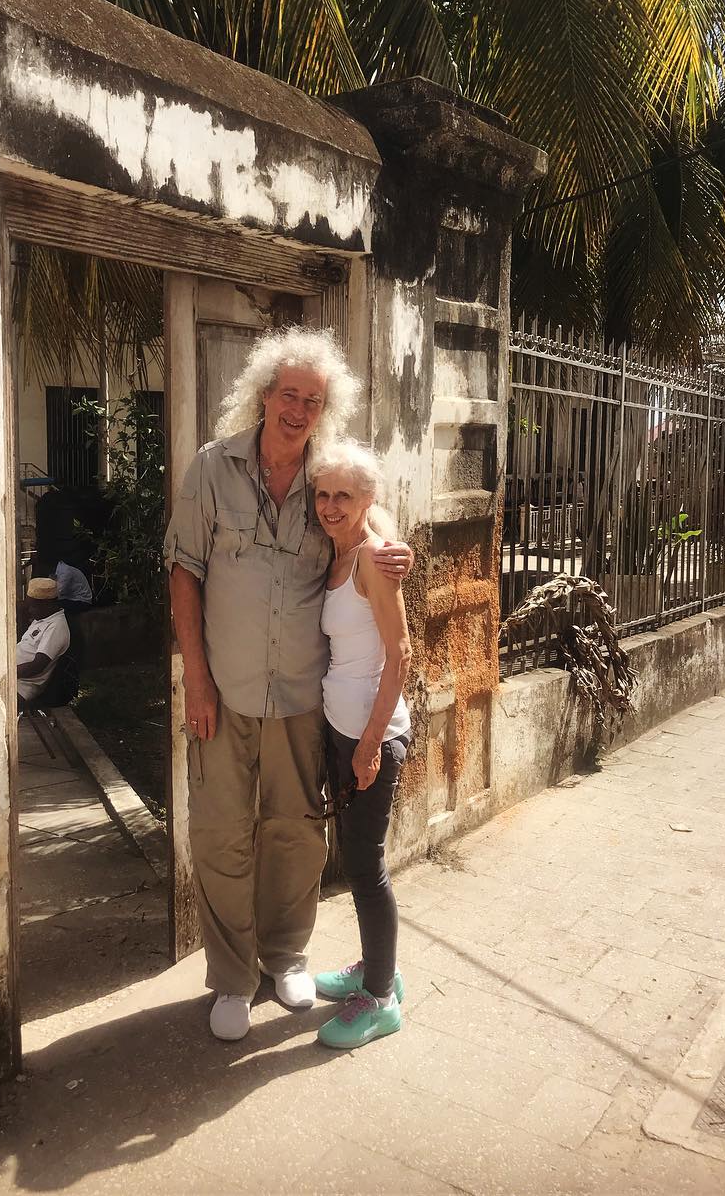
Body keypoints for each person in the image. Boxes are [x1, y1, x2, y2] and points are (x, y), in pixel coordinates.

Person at [164, 329, 412, 1041]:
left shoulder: (325, 477)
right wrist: (196, 679)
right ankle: (234, 978)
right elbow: (184, 571)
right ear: (263, 394)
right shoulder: (212, 469)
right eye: (288, 394)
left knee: (296, 833)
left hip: (304, 695)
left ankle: (287, 956)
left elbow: (367, 527)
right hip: (226, 688)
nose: (298, 409)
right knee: (221, 833)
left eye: (313, 399)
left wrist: (398, 549)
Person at [309, 440, 411, 1049]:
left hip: (371, 736)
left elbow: (400, 655)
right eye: (322, 494)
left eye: (343, 495)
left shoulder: (372, 558)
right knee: (353, 860)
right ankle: (377, 970)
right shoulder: (339, 554)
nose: (329, 504)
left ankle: (380, 999)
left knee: (367, 869)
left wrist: (370, 744)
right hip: (340, 729)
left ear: (368, 499)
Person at [16, 578, 71, 706]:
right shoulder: (42, 617)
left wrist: (5, 673)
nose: (29, 610)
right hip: (13, 677)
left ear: (48, 605)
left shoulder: (56, 626)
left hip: (21, 685)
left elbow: (37, 666)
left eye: (33, 606)